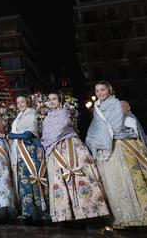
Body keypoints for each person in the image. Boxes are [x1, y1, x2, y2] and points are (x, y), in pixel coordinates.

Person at [85, 81, 147, 228]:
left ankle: (141, 216)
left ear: (109, 90)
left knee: (132, 179)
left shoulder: (115, 103)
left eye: (103, 90)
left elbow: (116, 125)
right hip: (105, 148)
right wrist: (96, 139)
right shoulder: (97, 108)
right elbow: (96, 127)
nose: (100, 93)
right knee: (113, 183)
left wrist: (104, 137)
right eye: (97, 91)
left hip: (120, 144)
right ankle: (121, 216)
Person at [42, 92, 109, 223]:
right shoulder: (46, 117)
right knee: (59, 179)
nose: (52, 102)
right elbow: (45, 133)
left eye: (54, 99)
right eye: (49, 100)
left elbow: (62, 127)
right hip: (54, 149)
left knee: (79, 175)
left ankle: (88, 210)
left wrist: (50, 139)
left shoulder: (65, 112)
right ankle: (66, 214)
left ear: (60, 100)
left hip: (69, 145)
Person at [8, 95, 49, 222]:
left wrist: (11, 135)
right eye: (18, 102)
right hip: (20, 150)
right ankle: (28, 211)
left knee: (32, 178)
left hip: (29, 149)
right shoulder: (20, 115)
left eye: (22, 102)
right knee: (23, 180)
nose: (20, 104)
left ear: (28, 102)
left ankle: (38, 211)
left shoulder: (31, 113)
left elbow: (29, 134)